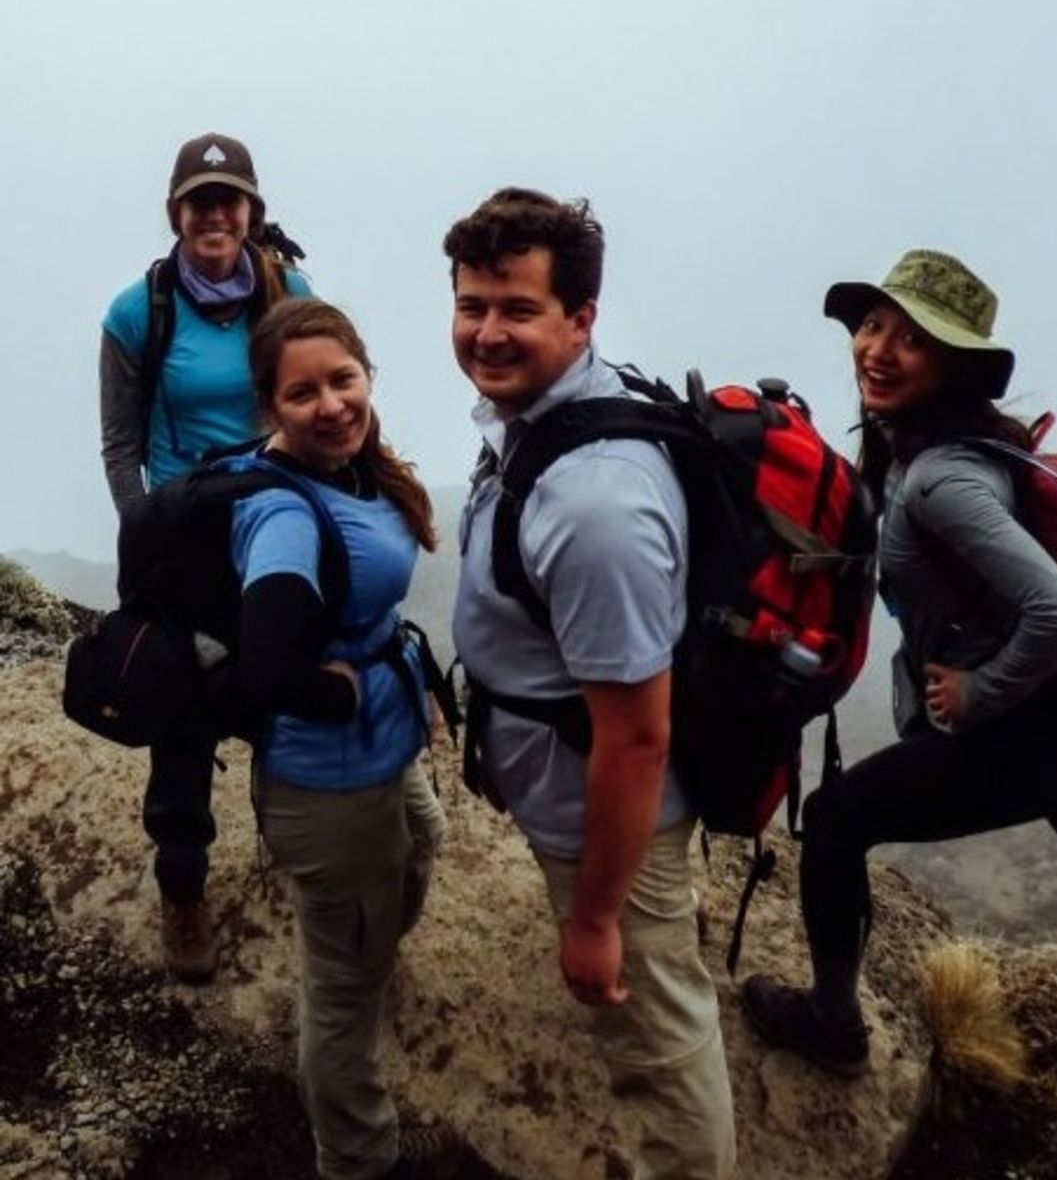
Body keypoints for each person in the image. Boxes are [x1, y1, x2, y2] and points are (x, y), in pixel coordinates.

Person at [741, 249, 1057, 1077]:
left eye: (910, 340)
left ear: (954, 368)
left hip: (1028, 732)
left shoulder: (942, 478)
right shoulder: (934, 452)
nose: (877, 350)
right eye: (873, 325)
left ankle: (833, 1027)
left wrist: (979, 691)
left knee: (837, 819)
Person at [447, 188, 736, 1180]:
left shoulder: (595, 504)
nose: (487, 332)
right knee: (654, 1017)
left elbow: (637, 740)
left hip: (604, 809)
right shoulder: (549, 415)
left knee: (658, 1048)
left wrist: (599, 919)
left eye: (517, 309)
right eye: (472, 304)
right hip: (567, 781)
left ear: (581, 318)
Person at [236, 296, 441, 1180]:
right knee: (340, 993)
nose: (330, 406)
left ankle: (369, 959)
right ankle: (357, 1155)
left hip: (381, 754)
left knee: (424, 845)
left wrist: (403, 677)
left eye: (343, 381)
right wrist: (325, 692)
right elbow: (262, 666)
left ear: (367, 375)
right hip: (331, 784)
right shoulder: (286, 514)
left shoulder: (352, 468)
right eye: (302, 394)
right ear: (269, 409)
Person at [99, 132, 312, 981]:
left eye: (231, 198)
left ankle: (286, 843)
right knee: (180, 710)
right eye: (200, 199)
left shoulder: (287, 293)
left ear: (253, 211)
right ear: (176, 214)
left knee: (278, 687)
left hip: (270, 524)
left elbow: (319, 394)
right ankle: (182, 888)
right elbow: (120, 444)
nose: (216, 213)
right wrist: (143, 527)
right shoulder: (137, 311)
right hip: (181, 534)